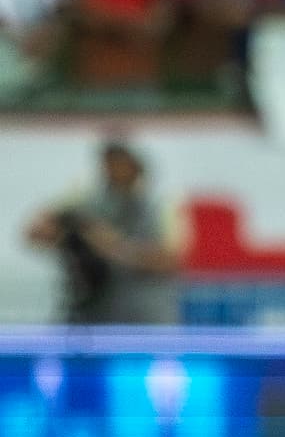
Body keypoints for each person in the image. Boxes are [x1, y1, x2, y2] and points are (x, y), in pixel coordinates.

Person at [24, 137, 184, 324]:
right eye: (108, 164)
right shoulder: (85, 201)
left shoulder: (161, 207)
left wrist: (115, 247)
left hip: (145, 318)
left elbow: (171, 262)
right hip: (94, 314)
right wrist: (69, 233)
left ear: (136, 167)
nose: (113, 171)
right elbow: (36, 231)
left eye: (119, 165)